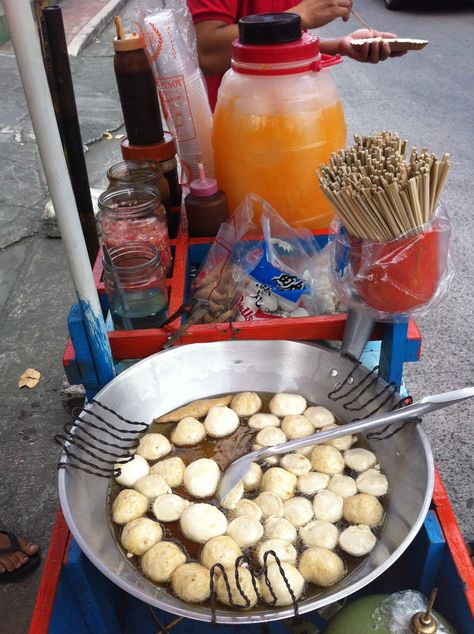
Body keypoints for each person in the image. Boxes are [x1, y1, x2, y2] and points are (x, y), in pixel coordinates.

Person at [187, 0, 405, 110]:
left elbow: (276, 47)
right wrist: (298, 16)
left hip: (292, 116)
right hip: (238, 123)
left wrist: (339, 45)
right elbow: (207, 52)